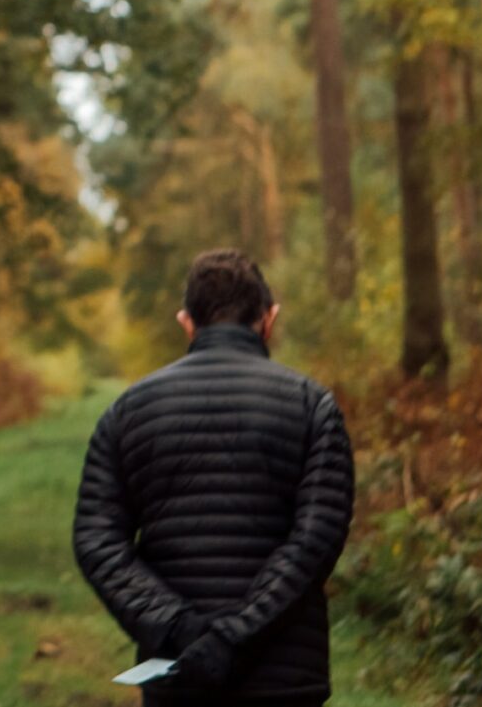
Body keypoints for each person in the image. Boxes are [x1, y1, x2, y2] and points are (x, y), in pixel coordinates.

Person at [72, 249, 356, 705]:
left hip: (177, 679)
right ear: (270, 319)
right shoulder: (313, 406)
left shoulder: (126, 412)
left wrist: (178, 629)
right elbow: (316, 539)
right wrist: (234, 636)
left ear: (187, 322)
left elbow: (96, 540)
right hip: (283, 681)